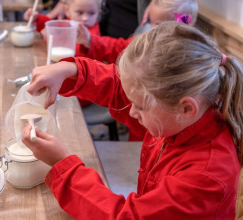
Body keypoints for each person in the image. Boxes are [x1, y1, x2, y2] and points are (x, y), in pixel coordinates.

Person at [22, 22, 243, 219]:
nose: (131, 111)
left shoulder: (204, 178)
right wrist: (71, 70)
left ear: (186, 108)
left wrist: (64, 167)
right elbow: (118, 88)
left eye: (139, 106)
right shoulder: (179, 115)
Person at [77, 0, 198, 64]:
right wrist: (91, 40)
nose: (153, 29)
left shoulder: (191, 56)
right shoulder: (146, 41)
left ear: (185, 23)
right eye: (153, 22)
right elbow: (119, 48)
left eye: (160, 25)